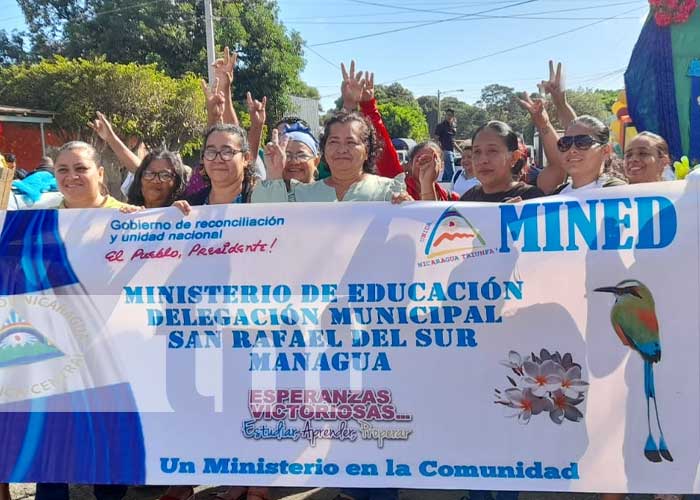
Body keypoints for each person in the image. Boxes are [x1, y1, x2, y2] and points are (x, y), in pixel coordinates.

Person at [28, 141, 143, 500]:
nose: (71, 176)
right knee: (53, 447)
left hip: (111, 350)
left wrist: (173, 218)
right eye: (63, 170)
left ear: (100, 173)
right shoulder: (37, 220)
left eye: (80, 168)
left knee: (107, 447)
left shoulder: (131, 217)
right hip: (52, 350)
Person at [169, 124, 269, 500]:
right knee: (210, 399)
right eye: (211, 151)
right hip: (202, 321)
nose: (219, 159)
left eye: (228, 151)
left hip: (257, 322)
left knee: (253, 400)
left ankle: (256, 483)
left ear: (246, 157)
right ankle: (212, 476)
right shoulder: (187, 206)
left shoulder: (266, 200)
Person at [253, 111, 409, 204]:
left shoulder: (388, 191)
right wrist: (274, 174)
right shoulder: (301, 194)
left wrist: (407, 209)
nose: (342, 149)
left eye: (351, 142)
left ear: (367, 150)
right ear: (324, 150)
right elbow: (268, 224)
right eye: (334, 141)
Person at [460, 121, 544, 203]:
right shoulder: (467, 200)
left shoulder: (531, 199)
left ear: (514, 157)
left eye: (492, 151)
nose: (483, 160)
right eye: (477, 152)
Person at [547, 115, 627, 194]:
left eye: (583, 142)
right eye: (565, 142)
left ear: (605, 151)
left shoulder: (619, 193)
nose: (572, 150)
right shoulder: (557, 194)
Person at [434, 108, 461, 182]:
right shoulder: (441, 126)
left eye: (451, 115)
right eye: (448, 115)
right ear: (445, 115)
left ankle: (443, 189)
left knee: (446, 174)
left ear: (453, 117)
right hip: (445, 151)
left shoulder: (453, 127)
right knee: (451, 173)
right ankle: (450, 189)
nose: (449, 117)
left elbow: (453, 142)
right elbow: (436, 139)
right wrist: (440, 151)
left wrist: (461, 151)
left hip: (452, 152)